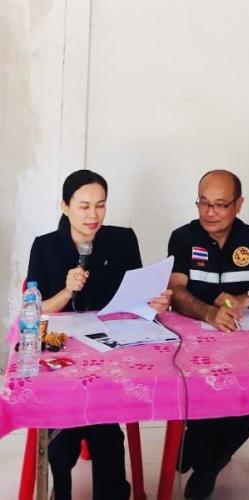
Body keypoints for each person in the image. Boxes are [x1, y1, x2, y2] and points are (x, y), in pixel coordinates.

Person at [27, 169, 172, 500]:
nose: (93, 215)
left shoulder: (122, 240)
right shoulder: (46, 247)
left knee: (103, 428)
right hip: (64, 355)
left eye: (100, 205)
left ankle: (110, 489)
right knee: (70, 431)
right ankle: (63, 486)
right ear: (65, 206)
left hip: (111, 354)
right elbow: (35, 309)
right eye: (84, 206)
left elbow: (135, 299)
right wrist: (66, 291)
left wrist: (154, 302)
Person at [167, 169, 249, 499]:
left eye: (220, 205)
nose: (209, 212)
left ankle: (208, 461)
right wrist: (209, 313)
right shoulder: (183, 238)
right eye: (203, 203)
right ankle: (204, 454)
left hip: (246, 343)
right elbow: (176, 291)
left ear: (238, 205)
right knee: (202, 387)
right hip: (195, 346)